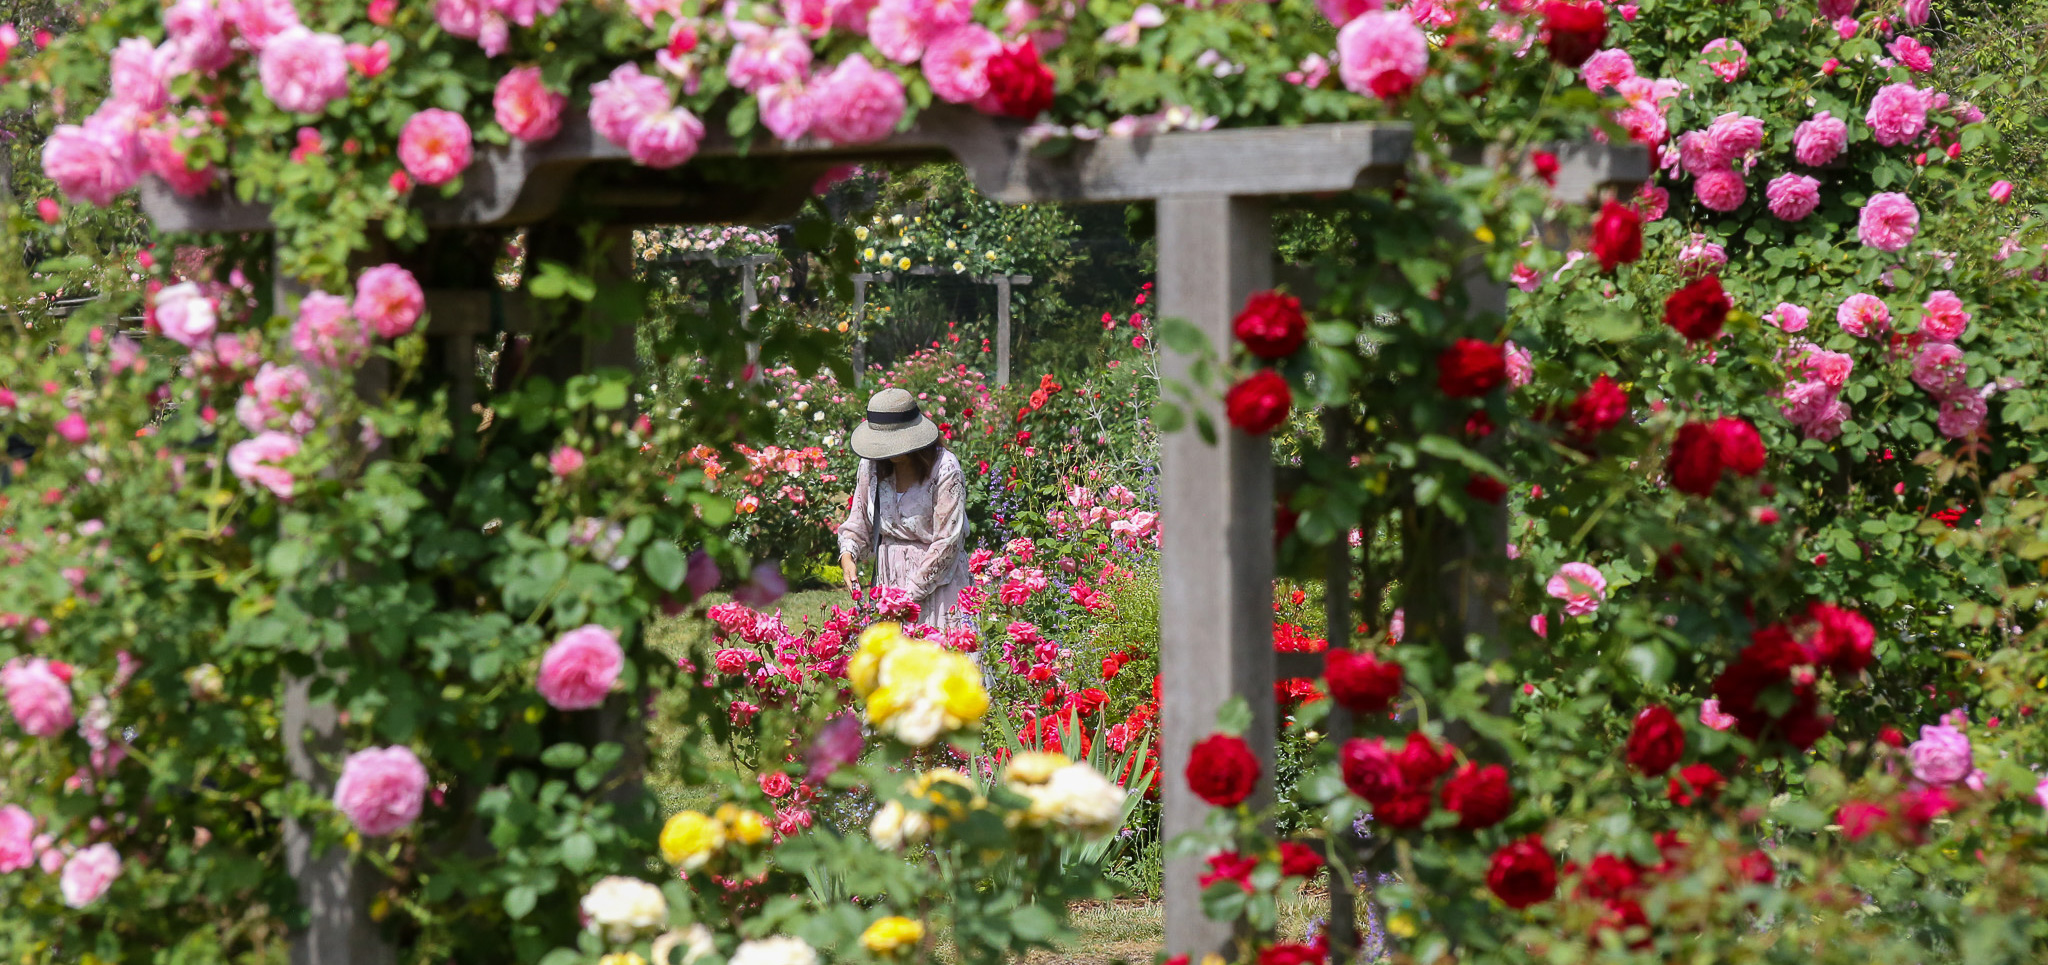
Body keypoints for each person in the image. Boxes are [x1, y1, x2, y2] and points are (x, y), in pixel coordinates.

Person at [836, 387, 972, 629]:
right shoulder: (871, 465)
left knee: (938, 659)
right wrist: (848, 556)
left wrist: (907, 598)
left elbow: (947, 542)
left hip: (938, 586)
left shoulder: (944, 468)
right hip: (889, 585)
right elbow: (858, 522)